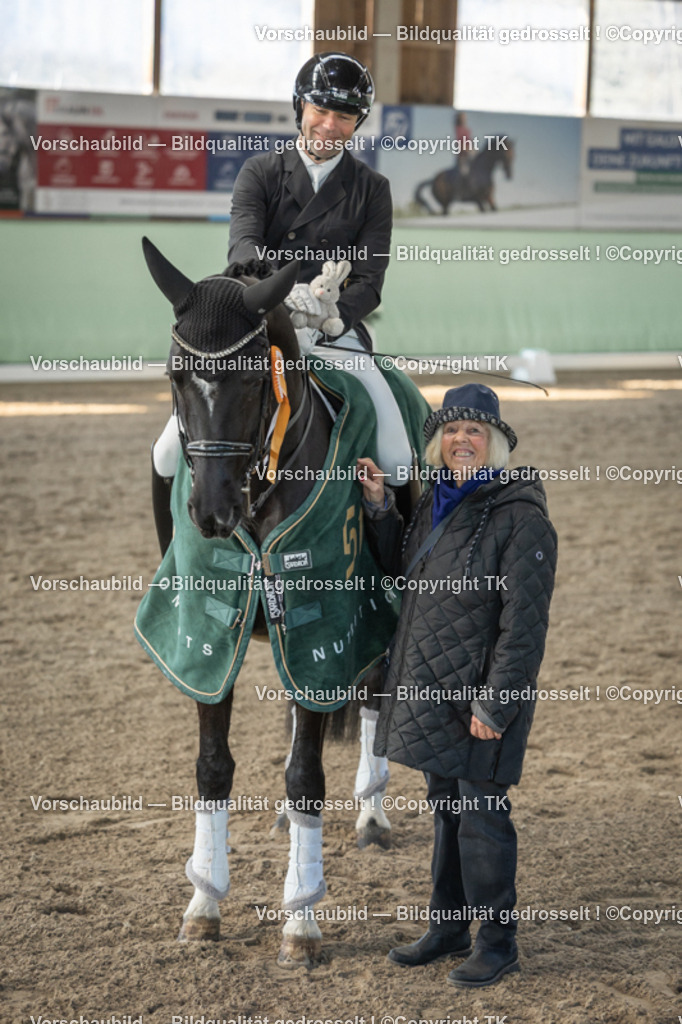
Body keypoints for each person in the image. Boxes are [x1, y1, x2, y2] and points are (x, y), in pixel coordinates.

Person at [357, 383, 557, 989]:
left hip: (481, 699)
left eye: (473, 432)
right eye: (451, 431)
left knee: (483, 816)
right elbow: (405, 571)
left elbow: (524, 627)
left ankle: (498, 943)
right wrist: (379, 507)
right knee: (446, 811)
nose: (460, 441)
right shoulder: (434, 503)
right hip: (429, 690)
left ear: (493, 442)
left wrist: (496, 704)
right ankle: (449, 928)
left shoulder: (520, 518)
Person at [227, 50, 412, 482]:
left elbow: (369, 280)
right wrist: (282, 299)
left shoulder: (372, 189)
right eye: (321, 109)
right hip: (262, 323)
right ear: (300, 108)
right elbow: (242, 250)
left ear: (357, 124)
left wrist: (329, 317)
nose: (331, 125)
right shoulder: (260, 172)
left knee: (398, 458)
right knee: (166, 451)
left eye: (345, 117)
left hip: (334, 331)